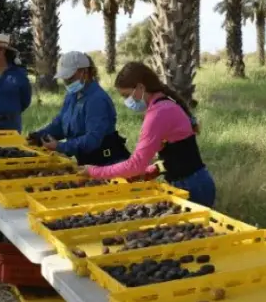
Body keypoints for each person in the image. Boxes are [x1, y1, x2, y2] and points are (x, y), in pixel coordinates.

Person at [79, 61, 216, 207]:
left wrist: (93, 171)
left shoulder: (158, 113)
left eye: (126, 95)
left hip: (192, 188)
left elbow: (136, 165)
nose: (126, 101)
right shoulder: (165, 104)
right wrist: (154, 169)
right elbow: (179, 151)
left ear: (140, 87)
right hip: (195, 183)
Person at [28, 52, 130, 165]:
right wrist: (40, 135)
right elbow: (60, 124)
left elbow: (92, 139)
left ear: (85, 72)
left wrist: (60, 146)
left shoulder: (97, 100)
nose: (67, 82)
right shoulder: (72, 95)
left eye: (70, 78)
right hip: (85, 161)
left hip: (106, 162)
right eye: (64, 78)